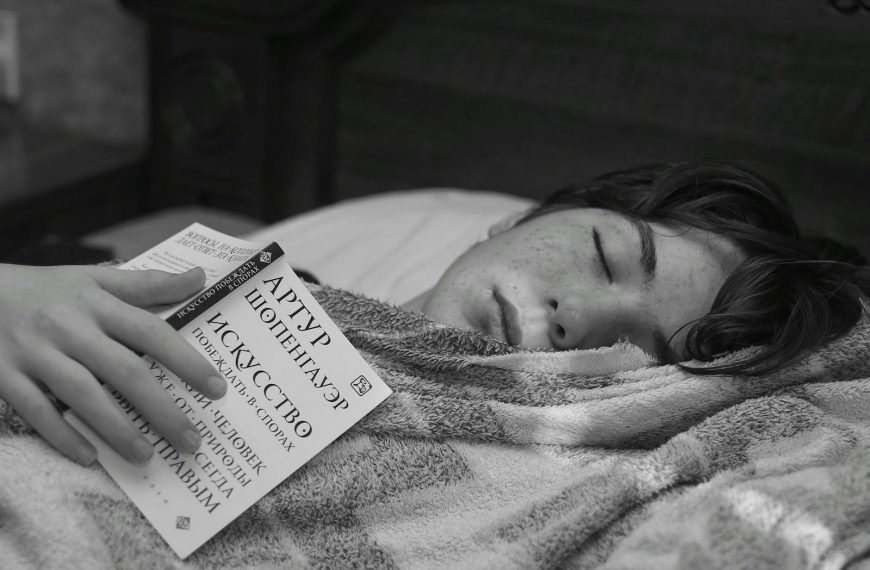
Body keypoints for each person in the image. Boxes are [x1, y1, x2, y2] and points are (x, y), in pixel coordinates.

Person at [1, 161, 868, 467]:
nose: (583, 317)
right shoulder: (214, 284)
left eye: (644, 344)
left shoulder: (553, 455)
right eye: (605, 255)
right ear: (520, 218)